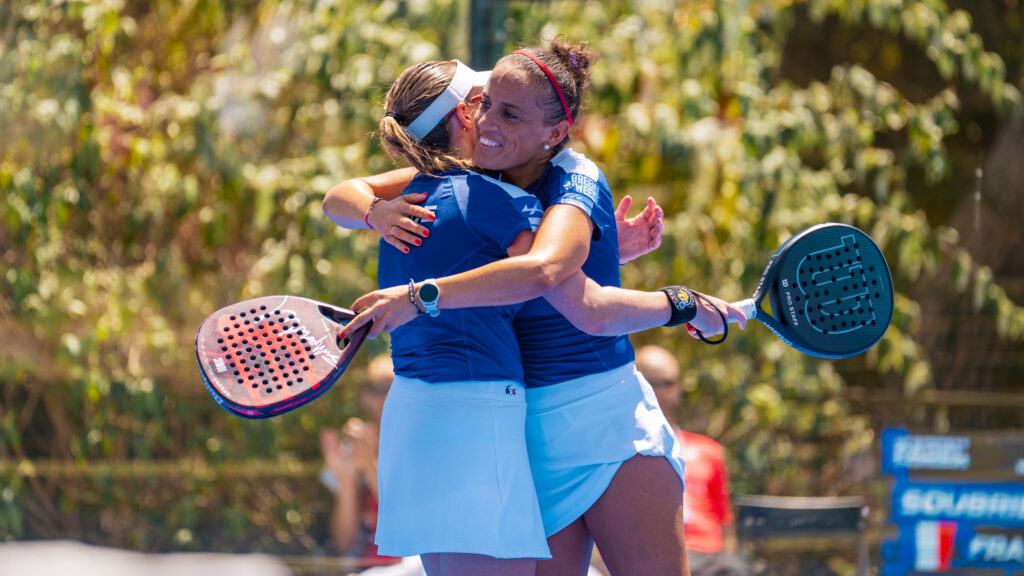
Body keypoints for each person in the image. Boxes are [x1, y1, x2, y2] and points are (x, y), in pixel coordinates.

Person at [326, 39, 748, 576]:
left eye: (508, 111)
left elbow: (564, 288)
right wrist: (375, 211)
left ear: (553, 133)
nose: (487, 119)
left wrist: (678, 301)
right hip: (523, 437)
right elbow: (344, 194)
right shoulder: (462, 179)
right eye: (484, 104)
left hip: (606, 423)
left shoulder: (575, 176)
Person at [347, 58, 559, 576]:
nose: (493, 115)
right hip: (475, 409)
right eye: (487, 103)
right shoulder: (494, 198)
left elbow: (341, 197)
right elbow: (546, 275)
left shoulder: (401, 198)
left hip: (412, 412)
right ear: (466, 115)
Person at [635, 345, 752, 576]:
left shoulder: (709, 450)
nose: (659, 392)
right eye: (649, 382)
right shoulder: (626, 454)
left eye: (667, 383)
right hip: (658, 556)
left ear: (679, 385)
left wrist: (731, 559)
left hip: (712, 559)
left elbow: (725, 521)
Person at [319, 355, 426, 576]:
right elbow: (343, 544)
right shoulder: (356, 448)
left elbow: (413, 526)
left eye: (400, 387)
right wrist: (347, 482)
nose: (391, 397)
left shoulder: (425, 445)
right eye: (382, 389)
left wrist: (369, 467)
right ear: (365, 397)